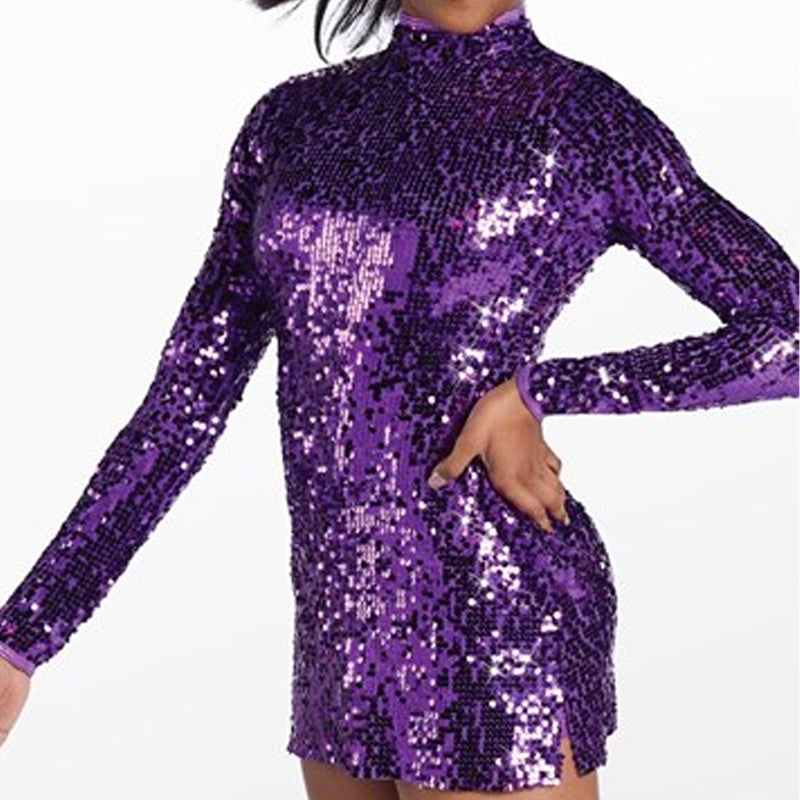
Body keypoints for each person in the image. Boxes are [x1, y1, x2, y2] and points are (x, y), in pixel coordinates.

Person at [0, 0, 797, 798]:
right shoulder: (292, 122)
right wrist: (23, 636)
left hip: (496, 623)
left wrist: (537, 392)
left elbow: (786, 333)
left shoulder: (585, 122)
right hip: (341, 627)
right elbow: (185, 402)